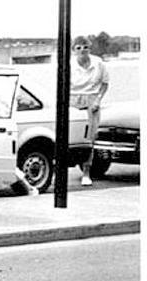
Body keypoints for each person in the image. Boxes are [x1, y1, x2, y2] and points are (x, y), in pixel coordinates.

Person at [70, 35, 109, 186]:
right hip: (73, 99)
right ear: (74, 50)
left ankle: (86, 172)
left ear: (89, 48)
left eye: (85, 47)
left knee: (89, 138)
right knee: (71, 135)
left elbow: (105, 83)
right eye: (78, 48)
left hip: (91, 98)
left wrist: (98, 100)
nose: (82, 50)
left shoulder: (98, 63)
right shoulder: (69, 64)